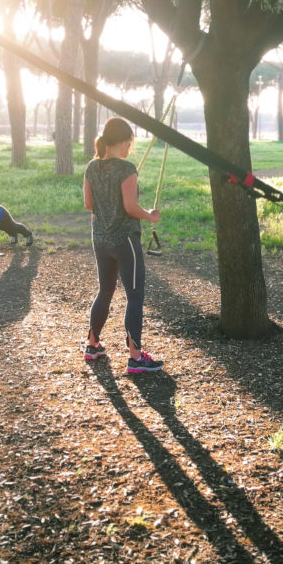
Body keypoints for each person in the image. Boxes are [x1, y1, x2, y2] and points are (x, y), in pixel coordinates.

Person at [83, 117, 164, 374]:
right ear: (126, 141)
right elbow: (130, 208)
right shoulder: (127, 168)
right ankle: (136, 358)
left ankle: (93, 345)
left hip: (100, 239)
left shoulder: (92, 168)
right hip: (125, 240)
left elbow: (89, 205)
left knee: (104, 291)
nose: (131, 146)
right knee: (134, 296)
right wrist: (150, 215)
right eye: (131, 142)